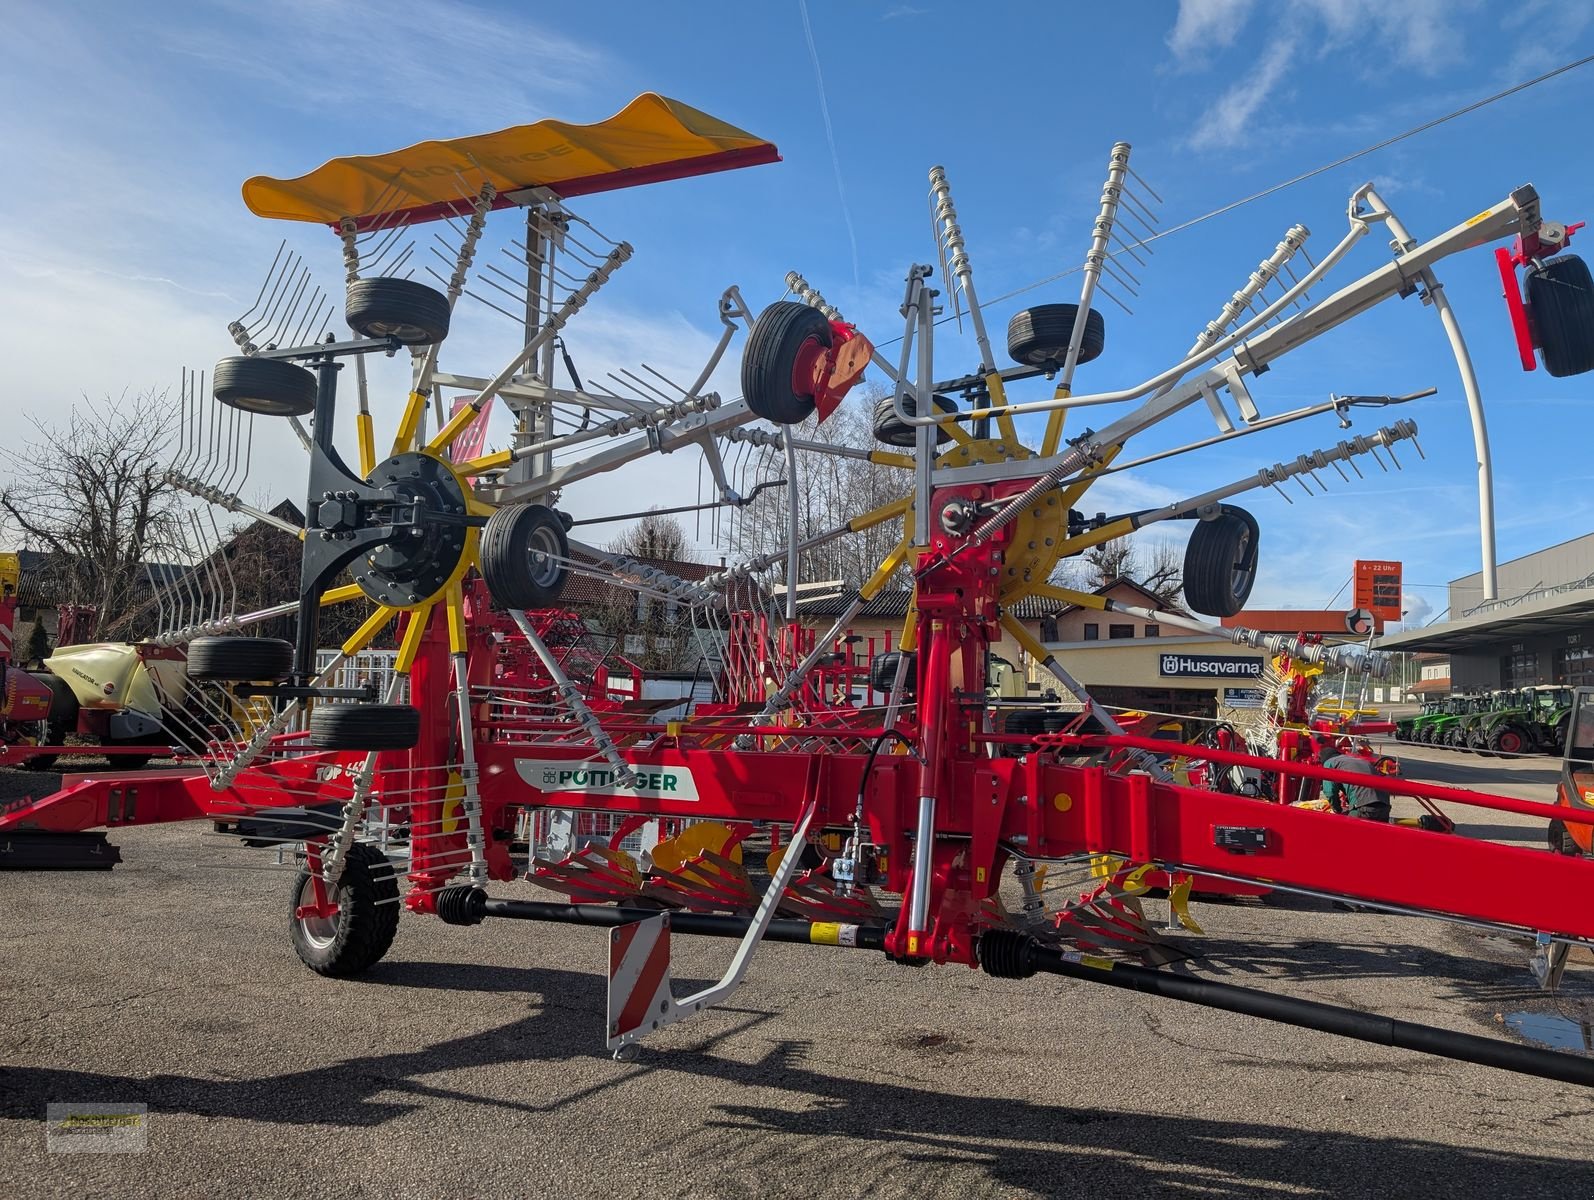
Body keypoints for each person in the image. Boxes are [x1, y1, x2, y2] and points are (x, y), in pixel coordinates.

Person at [1320, 747, 1388, 822]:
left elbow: (1330, 792)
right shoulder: (1356, 760)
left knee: (1343, 830)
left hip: (1364, 808)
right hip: (1384, 807)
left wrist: (1337, 809)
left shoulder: (1329, 762)